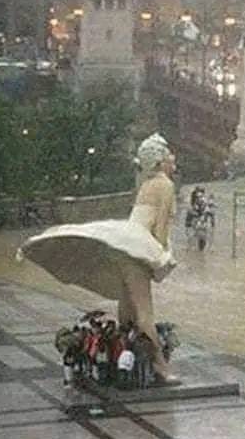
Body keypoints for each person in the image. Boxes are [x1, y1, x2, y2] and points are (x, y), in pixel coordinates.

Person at [21, 133, 180, 386]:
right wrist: (160, 258)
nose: (173, 158)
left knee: (127, 307)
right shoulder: (166, 185)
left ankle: (124, 358)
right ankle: (160, 366)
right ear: (160, 161)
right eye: (169, 154)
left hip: (123, 245)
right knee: (144, 312)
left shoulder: (146, 185)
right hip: (137, 250)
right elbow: (160, 230)